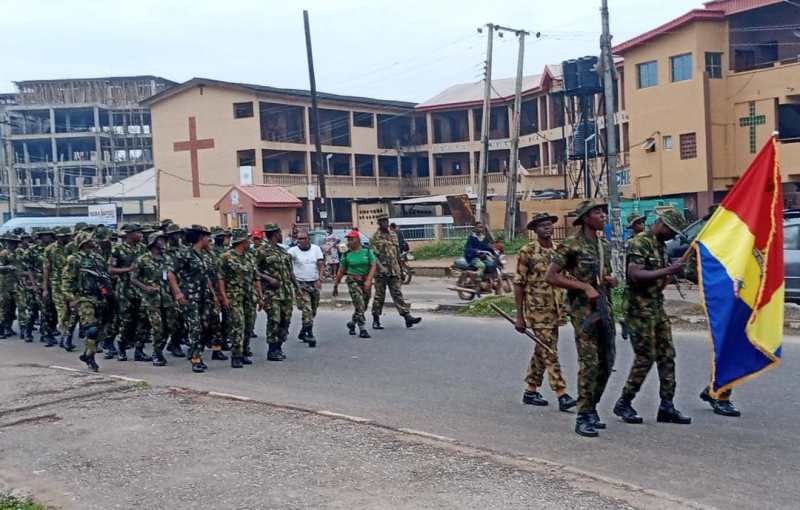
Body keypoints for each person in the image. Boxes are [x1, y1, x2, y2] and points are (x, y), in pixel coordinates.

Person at [613, 208, 692, 425]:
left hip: (656, 307)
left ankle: (667, 406)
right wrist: (667, 271)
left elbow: (661, 278)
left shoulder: (660, 246)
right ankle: (624, 402)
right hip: (638, 309)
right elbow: (635, 274)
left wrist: (672, 272)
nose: (672, 236)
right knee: (645, 357)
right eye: (671, 231)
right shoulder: (641, 242)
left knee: (667, 355)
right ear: (661, 224)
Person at [546, 200, 617, 438]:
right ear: (586, 218)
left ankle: (592, 406)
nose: (603, 215)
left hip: (604, 307)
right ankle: (583, 415)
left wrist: (607, 280)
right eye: (598, 212)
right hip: (583, 312)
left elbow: (602, 274)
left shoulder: (602, 244)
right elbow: (552, 276)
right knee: (590, 363)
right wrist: (583, 286)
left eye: (603, 211)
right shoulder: (571, 245)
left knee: (607, 361)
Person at [514, 213, 576, 412]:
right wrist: (519, 316)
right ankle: (562, 393)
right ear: (535, 230)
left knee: (542, 349)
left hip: (556, 308)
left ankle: (530, 391)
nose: (547, 229)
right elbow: (519, 284)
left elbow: (567, 276)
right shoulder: (528, 251)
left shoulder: (559, 250)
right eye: (542, 226)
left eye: (549, 225)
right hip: (537, 309)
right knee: (549, 350)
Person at [62, 233, 113, 372]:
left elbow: (105, 277)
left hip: (100, 297)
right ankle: (91, 358)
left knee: (101, 331)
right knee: (91, 328)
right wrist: (71, 298)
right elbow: (67, 280)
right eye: (91, 240)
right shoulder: (74, 259)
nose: (94, 242)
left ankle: (88, 354)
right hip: (84, 298)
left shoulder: (98, 258)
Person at [167, 225, 214, 373]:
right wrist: (178, 292)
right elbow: (171, 273)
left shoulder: (205, 255)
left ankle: (195, 351)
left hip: (204, 296)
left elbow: (206, 277)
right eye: (207, 237)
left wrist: (213, 294)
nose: (209, 240)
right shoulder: (185, 254)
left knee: (205, 325)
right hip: (190, 296)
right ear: (201, 238)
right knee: (195, 327)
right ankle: (195, 358)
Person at [370, 214, 421, 329]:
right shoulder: (375, 237)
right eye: (382, 221)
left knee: (398, 294)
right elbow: (373, 256)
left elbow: (397, 253)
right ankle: (376, 319)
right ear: (379, 223)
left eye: (386, 220)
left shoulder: (393, 235)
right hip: (381, 273)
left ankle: (407, 317)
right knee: (379, 296)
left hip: (394, 270)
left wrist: (401, 270)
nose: (385, 223)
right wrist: (381, 268)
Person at [219, 230, 261, 368]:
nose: (250, 242)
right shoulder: (226, 257)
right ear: (241, 242)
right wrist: (223, 297)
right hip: (234, 296)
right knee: (238, 325)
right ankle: (236, 355)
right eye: (247, 240)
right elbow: (221, 278)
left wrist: (260, 296)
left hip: (249, 296)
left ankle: (243, 351)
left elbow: (256, 278)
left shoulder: (249, 257)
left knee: (249, 325)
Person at [131, 232, 172, 367]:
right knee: (157, 327)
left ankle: (149, 350)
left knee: (169, 326)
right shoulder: (143, 259)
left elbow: (171, 277)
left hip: (166, 298)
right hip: (150, 300)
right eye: (161, 240)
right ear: (154, 242)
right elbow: (133, 278)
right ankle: (156, 353)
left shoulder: (166, 259)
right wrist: (145, 287)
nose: (164, 242)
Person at [257, 224, 296, 361]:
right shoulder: (261, 251)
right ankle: (272, 349)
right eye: (280, 233)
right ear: (275, 234)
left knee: (286, 320)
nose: (281, 236)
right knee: (274, 320)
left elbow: (290, 272)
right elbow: (253, 270)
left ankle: (279, 346)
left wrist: (297, 289)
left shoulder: (283, 251)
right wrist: (268, 279)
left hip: (286, 292)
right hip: (271, 293)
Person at [109, 223, 147, 361]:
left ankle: (139, 350)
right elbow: (111, 270)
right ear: (130, 234)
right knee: (126, 322)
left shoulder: (143, 249)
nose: (141, 235)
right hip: (125, 291)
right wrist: (128, 270)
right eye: (138, 232)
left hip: (141, 290)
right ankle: (121, 349)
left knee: (142, 321)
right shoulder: (118, 249)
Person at [333, 230, 376, 338]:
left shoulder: (366, 251)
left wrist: (369, 280)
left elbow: (373, 265)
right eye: (348, 239)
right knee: (359, 303)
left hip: (366, 280)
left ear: (358, 240)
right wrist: (336, 285)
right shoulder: (346, 254)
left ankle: (352, 323)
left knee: (364, 305)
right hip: (353, 280)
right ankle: (362, 329)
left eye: (352, 239)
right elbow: (341, 271)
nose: (349, 241)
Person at [287, 229, 324, 347]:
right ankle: (309, 334)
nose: (301, 241)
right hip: (300, 284)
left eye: (304, 238)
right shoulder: (293, 251)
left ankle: (303, 330)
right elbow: (287, 262)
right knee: (306, 309)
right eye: (299, 239)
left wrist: (320, 278)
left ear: (308, 239)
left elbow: (320, 263)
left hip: (314, 282)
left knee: (313, 310)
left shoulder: (316, 249)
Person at [43, 227, 74, 351]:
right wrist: (45, 288)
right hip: (57, 284)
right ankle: (64, 337)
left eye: (66, 236)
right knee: (62, 310)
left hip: (72, 284)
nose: (64, 238)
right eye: (62, 236)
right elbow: (46, 269)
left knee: (73, 311)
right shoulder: (50, 250)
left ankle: (67, 335)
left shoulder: (73, 248)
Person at [464, 222, 497, 290]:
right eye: (479, 227)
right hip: (473, 257)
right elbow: (468, 248)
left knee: (492, 263)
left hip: (482, 256)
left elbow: (486, 247)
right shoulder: (471, 237)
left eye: (481, 227)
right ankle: (477, 282)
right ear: (475, 228)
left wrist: (494, 251)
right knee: (482, 266)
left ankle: (489, 280)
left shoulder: (483, 237)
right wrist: (476, 251)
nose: (480, 229)